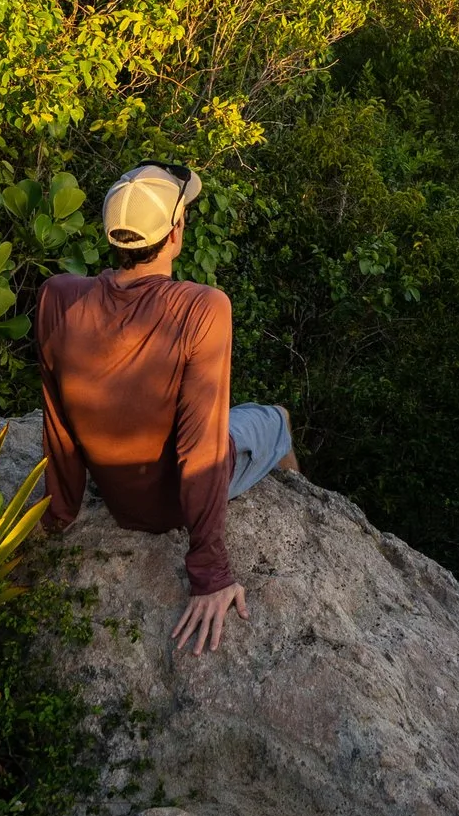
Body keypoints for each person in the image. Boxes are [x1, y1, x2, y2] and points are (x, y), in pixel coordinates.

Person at [33, 164, 297, 653]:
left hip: (115, 498)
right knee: (276, 418)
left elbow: (58, 422)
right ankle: (299, 497)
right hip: (172, 505)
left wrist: (60, 512)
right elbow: (201, 447)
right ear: (175, 233)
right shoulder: (203, 307)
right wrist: (210, 572)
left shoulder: (56, 296)